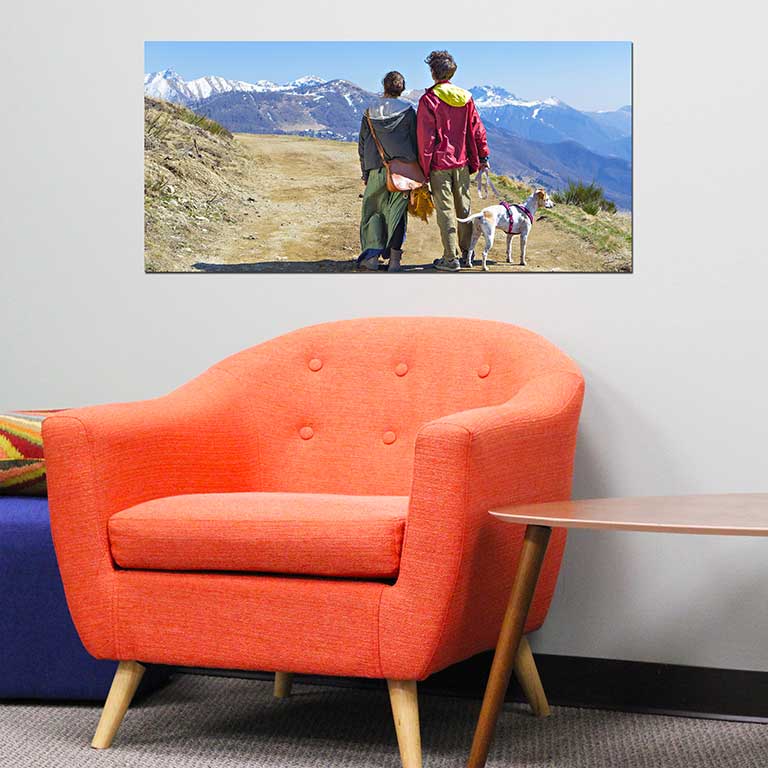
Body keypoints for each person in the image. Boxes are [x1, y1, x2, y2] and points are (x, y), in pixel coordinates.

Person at [417, 50, 490, 271]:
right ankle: (467, 253)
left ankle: (450, 259)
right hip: (462, 163)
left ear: (433, 72)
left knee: (445, 211)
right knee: (464, 209)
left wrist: (423, 171)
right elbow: (477, 130)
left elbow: (426, 139)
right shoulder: (465, 98)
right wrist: (483, 156)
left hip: (439, 165)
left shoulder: (429, 100)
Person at [357, 71, 418, 272]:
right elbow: (415, 141)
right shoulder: (408, 111)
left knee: (373, 211)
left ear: (384, 86)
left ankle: (372, 258)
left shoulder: (369, 112)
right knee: (397, 214)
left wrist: (365, 172)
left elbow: (363, 144)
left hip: (376, 169)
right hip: (403, 172)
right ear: (402, 89)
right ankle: (395, 261)